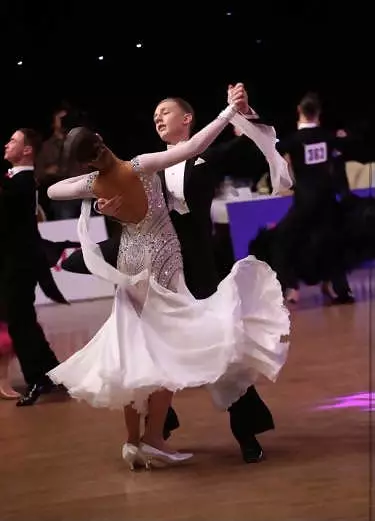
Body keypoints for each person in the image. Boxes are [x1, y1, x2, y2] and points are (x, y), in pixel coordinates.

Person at [46, 100, 290, 470]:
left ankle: (243, 434)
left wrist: (240, 112)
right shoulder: (143, 165)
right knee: (149, 350)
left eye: (166, 111)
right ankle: (153, 436)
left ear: (187, 118)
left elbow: (246, 143)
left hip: (195, 268)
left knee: (221, 348)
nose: (157, 116)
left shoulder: (206, 156)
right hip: (156, 268)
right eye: (154, 112)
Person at [250, 92, 355, 304]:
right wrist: (344, 138)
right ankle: (341, 289)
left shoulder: (293, 141)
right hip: (327, 202)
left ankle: (290, 286)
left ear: (299, 110)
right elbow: (348, 146)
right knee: (332, 243)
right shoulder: (329, 137)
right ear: (319, 112)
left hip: (304, 203)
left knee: (281, 241)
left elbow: (270, 147)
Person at [1, 129, 60, 406]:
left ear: (27, 151)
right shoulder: (16, 181)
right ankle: (49, 372)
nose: (7, 143)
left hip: (18, 263)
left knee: (18, 322)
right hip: (17, 261)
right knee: (23, 320)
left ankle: (38, 376)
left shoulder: (22, 183)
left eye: (13, 141)